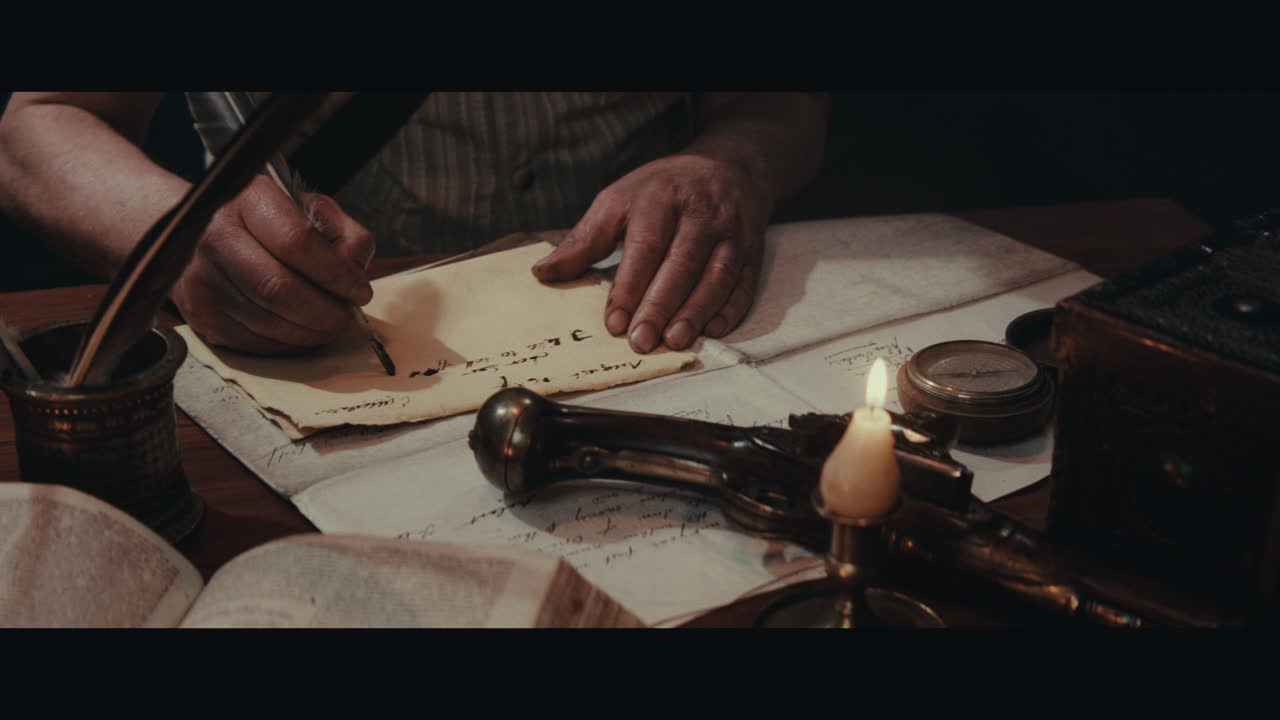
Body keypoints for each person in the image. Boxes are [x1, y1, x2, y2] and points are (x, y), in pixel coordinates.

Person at [0, 92, 827, 355]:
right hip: (316, 342)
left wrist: (732, 163)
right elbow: (34, 118)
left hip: (647, 316)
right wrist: (179, 240)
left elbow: (781, 98)